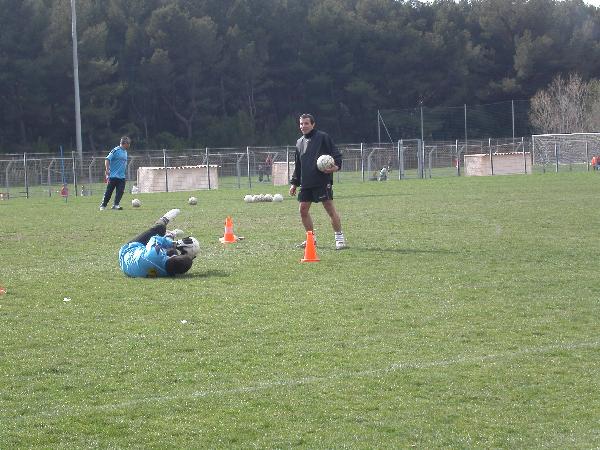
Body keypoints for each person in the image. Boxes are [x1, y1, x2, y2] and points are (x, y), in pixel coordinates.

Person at [289, 113, 346, 250]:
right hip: (306, 182)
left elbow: (336, 154)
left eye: (306, 123)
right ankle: (311, 239)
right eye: (301, 124)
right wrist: (294, 183)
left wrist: (336, 167)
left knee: (329, 209)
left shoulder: (322, 137)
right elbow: (298, 165)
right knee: (303, 210)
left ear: (313, 124)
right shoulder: (299, 142)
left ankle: (340, 239)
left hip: (321, 181)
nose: (303, 126)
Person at [118, 208, 199, 278]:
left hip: (126, 253)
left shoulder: (154, 254)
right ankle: (169, 235)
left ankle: (164, 220)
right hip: (130, 270)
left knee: (159, 229)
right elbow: (176, 262)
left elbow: (155, 238)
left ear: (173, 257)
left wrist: (175, 243)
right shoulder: (168, 274)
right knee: (170, 250)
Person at [100, 136, 130, 210]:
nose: (129, 145)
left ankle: (116, 205)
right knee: (109, 192)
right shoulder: (115, 150)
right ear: (124, 143)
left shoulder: (125, 152)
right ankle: (103, 205)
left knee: (120, 191)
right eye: (128, 143)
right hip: (113, 176)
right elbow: (107, 159)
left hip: (122, 176)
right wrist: (107, 169)